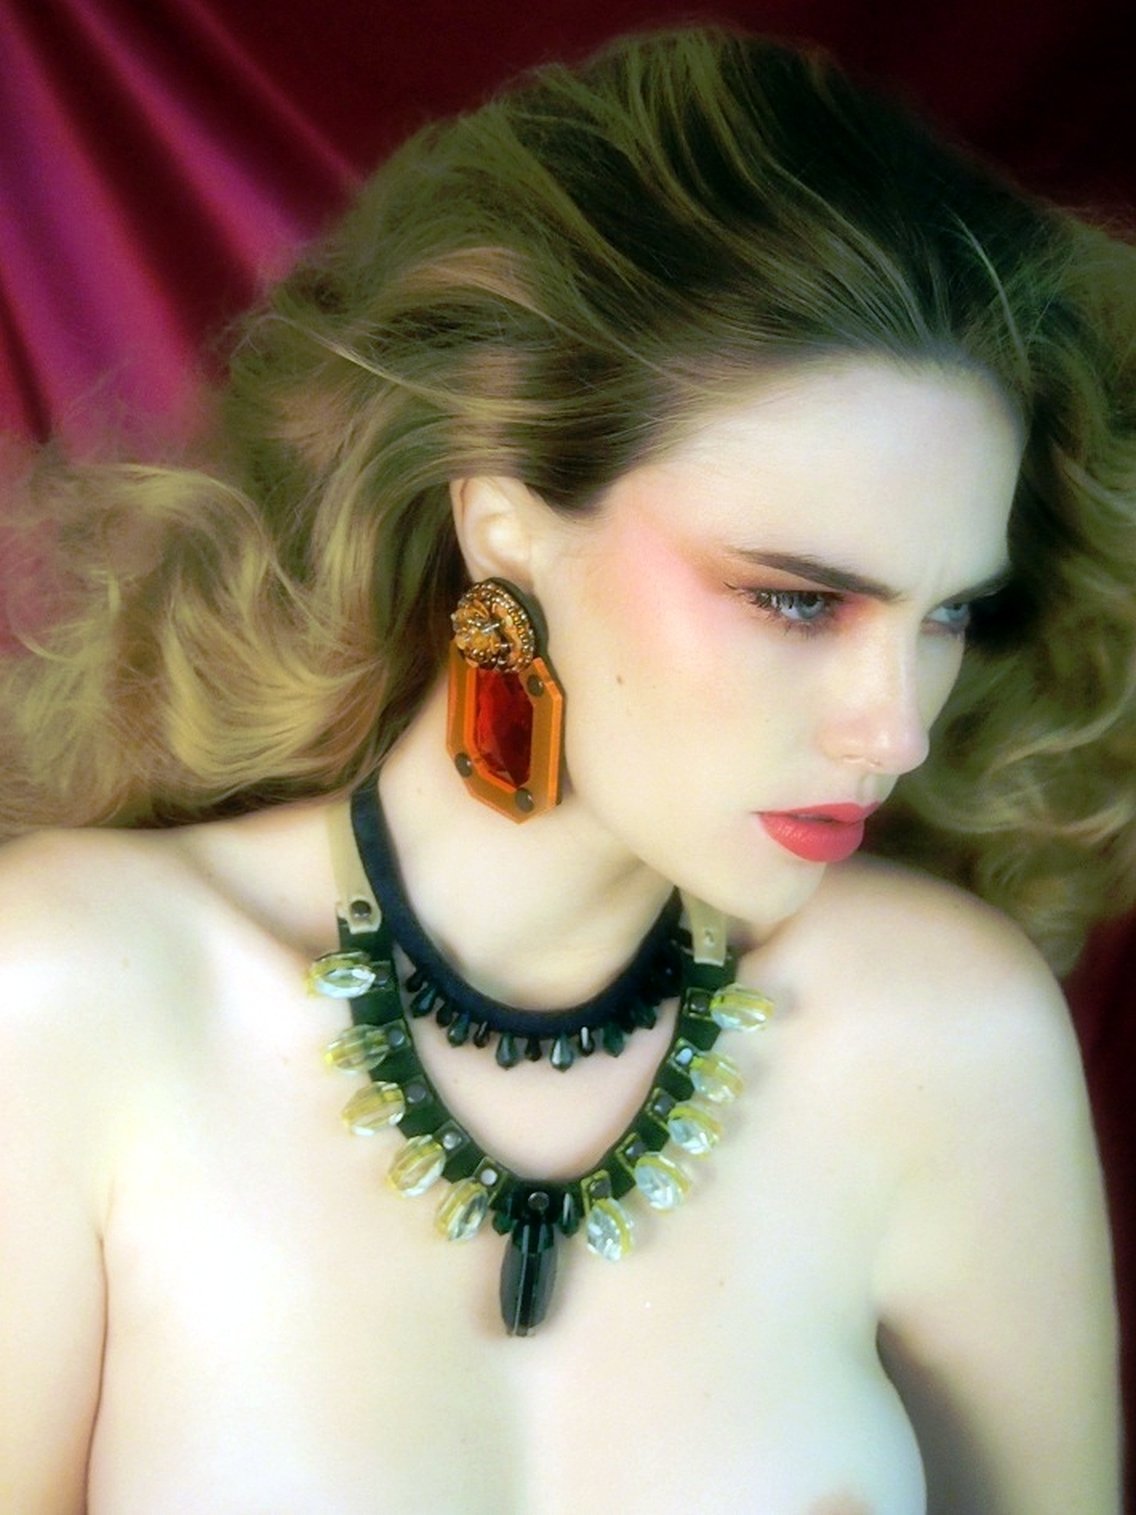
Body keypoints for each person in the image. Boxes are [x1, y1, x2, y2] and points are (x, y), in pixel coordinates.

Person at [0, 25, 1130, 1515]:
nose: (897, 731)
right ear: (503, 521)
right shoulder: (73, 996)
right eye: (797, 601)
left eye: (950, 617)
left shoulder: (949, 1036)